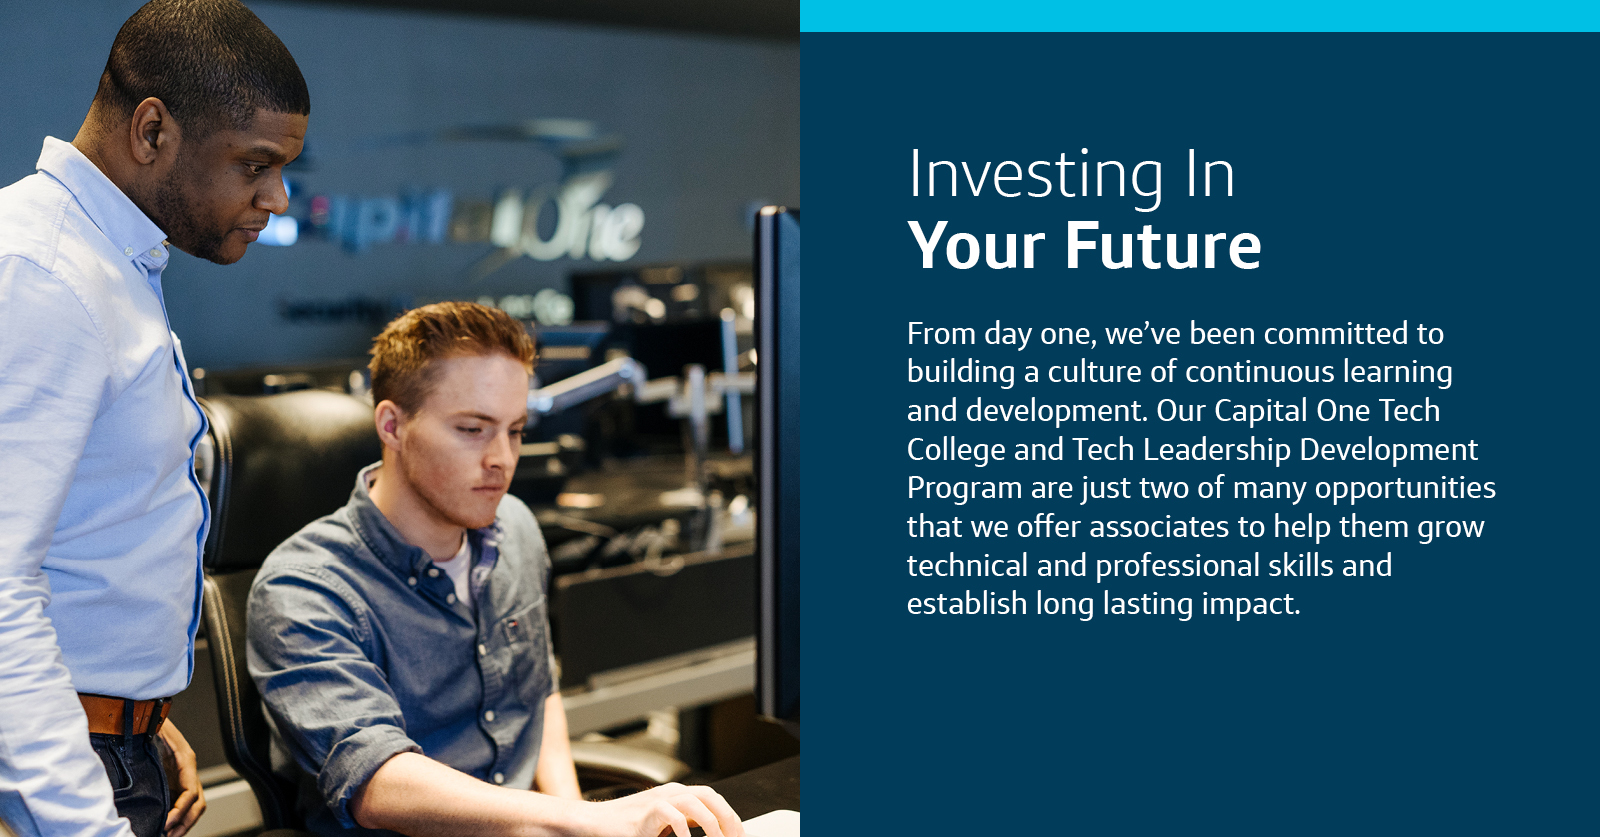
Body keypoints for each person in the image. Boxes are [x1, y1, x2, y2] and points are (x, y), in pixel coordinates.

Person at [248, 302, 743, 837]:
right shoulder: (303, 587)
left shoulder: (516, 528)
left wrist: (580, 821)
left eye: (515, 430)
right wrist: (582, 818)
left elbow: (538, 691)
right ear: (392, 426)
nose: (502, 459)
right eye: (473, 429)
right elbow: (377, 783)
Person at [0, 2, 308, 837]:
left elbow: (96, 529)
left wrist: (134, 714)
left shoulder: (105, 260)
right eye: (256, 164)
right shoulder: (43, 272)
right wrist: (79, 814)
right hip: (57, 781)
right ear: (151, 131)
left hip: (108, 744)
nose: (277, 197)